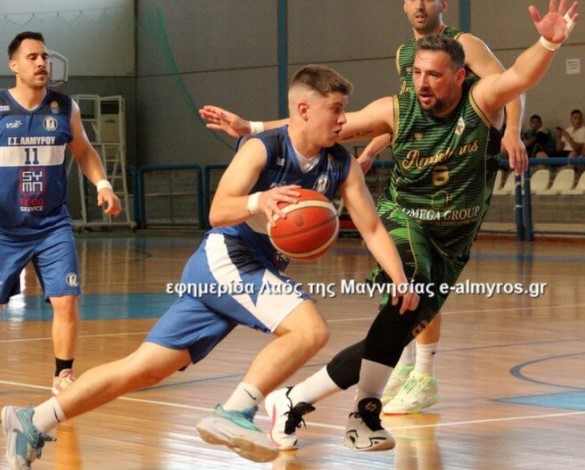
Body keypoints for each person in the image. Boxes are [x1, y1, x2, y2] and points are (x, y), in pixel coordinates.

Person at [200, 1, 578, 452]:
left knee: (398, 329)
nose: (422, 82)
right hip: (404, 219)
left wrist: (547, 44)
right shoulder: (396, 110)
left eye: (433, 75)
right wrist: (254, 126)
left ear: (460, 77)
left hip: (453, 241)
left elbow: (519, 76)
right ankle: (364, 416)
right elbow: (321, 121)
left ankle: (294, 398)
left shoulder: (482, 103)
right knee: (405, 297)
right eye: (416, 73)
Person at [1, 64, 419, 468]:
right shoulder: (263, 147)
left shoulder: (340, 163)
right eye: (336, 110)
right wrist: (259, 200)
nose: (344, 119)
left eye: (344, 110)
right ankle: (236, 411)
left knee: (142, 370)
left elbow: (371, 227)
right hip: (228, 257)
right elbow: (218, 211)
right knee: (310, 330)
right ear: (304, 109)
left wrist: (400, 279)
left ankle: (32, 420)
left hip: (245, 269)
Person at [0, 32, 121, 396]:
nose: (41, 63)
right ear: (14, 65)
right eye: (32, 57)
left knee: (66, 299)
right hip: (5, 228)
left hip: (51, 225)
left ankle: (63, 376)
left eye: (44, 57)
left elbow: (83, 151)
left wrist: (103, 185)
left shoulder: (65, 108)